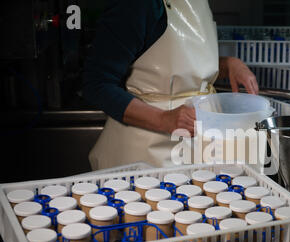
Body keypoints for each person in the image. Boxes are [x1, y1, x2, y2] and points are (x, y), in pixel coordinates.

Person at [83, 0, 259, 170]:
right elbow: (97, 84)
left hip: (194, 145)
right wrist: (163, 119)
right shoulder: (137, 4)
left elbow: (180, 65)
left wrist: (226, 65)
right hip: (145, 152)